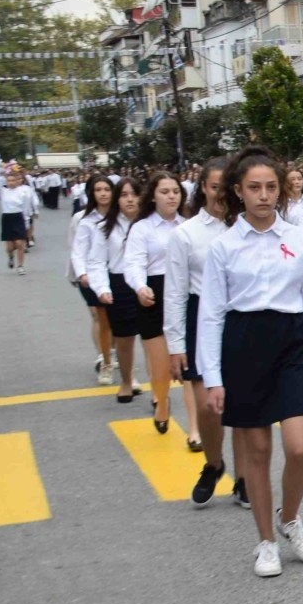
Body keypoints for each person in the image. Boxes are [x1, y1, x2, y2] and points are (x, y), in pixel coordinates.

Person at [199, 147, 303, 579]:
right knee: (257, 450)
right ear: (238, 191)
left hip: (290, 343)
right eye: (254, 188)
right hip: (243, 344)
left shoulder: (300, 238)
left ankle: (290, 517)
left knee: (300, 447)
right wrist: (212, 377)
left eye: (271, 187)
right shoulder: (224, 246)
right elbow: (212, 313)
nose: (264, 195)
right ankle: (266, 541)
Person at [165, 159, 236, 492]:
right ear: (202, 189)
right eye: (213, 187)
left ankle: (247, 479)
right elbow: (176, 293)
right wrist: (176, 344)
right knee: (209, 407)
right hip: (199, 316)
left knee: (244, 410)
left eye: (226, 187)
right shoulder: (185, 234)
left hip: (239, 317)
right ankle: (214, 463)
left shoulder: (247, 227)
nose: (220, 194)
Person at [123, 172, 185, 436]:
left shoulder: (188, 225)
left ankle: (195, 428)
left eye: (175, 191)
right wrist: (140, 287)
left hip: (182, 293)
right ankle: (162, 400)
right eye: (164, 191)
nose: (171, 196)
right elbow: (133, 263)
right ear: (153, 196)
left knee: (186, 364)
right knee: (160, 366)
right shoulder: (142, 228)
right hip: (153, 294)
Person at [90, 179, 147, 406]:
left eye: (135, 194)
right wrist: (102, 289)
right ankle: (126, 380)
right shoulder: (106, 227)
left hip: (149, 283)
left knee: (153, 338)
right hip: (119, 284)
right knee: (124, 338)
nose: (130, 199)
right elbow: (96, 262)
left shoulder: (151, 224)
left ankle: (159, 390)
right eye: (124, 195)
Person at [70, 176, 117, 384]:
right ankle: (104, 358)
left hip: (117, 274)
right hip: (91, 277)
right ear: (92, 194)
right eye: (98, 190)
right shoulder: (83, 220)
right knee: (101, 318)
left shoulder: (122, 217)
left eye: (107, 189)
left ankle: (116, 356)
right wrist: (80, 274)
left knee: (119, 322)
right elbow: (76, 251)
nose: (103, 193)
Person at [0, 164, 39, 273]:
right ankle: (10, 256)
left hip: (19, 217)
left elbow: (25, 207)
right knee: (10, 247)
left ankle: (20, 266)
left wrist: (27, 222)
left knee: (20, 244)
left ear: (17, 181)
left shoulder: (22, 192)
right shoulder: (3, 191)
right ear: (6, 181)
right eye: (8, 181)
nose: (11, 183)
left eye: (13, 180)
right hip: (7, 218)